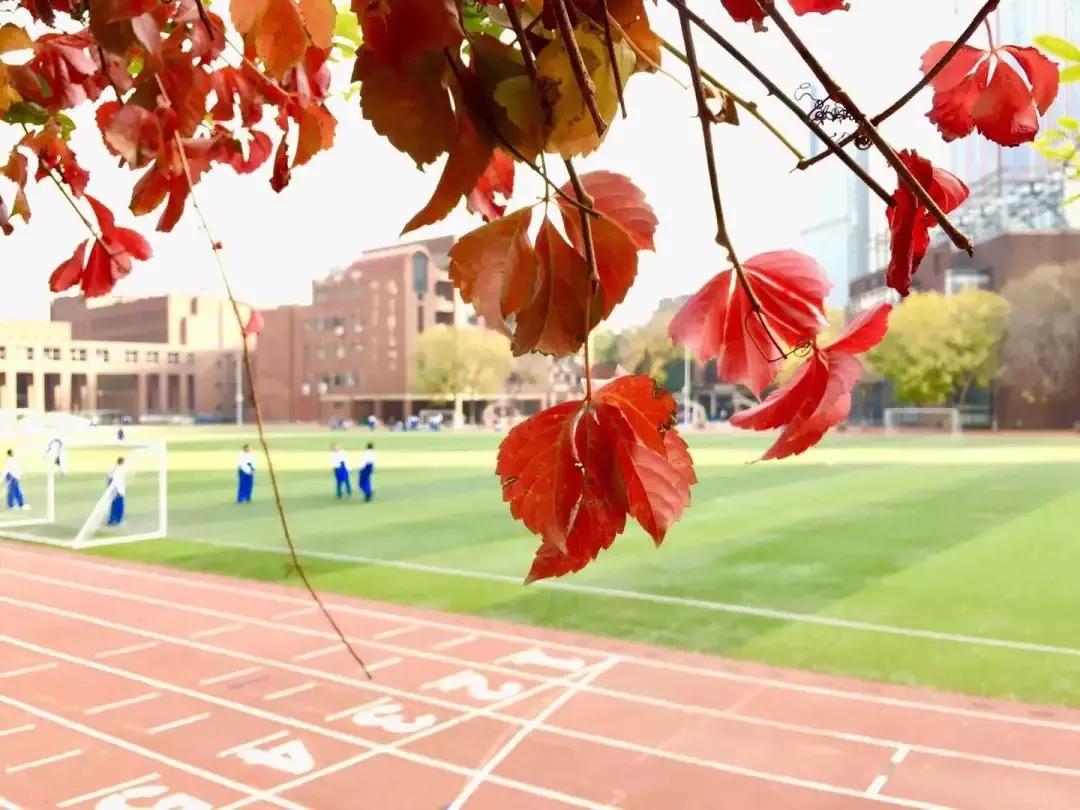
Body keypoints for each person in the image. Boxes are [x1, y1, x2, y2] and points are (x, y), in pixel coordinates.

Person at [106, 457, 126, 526]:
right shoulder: (119, 469)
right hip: (118, 491)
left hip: (114, 491)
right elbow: (113, 480)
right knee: (119, 506)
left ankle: (111, 520)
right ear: (122, 462)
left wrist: (109, 489)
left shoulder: (113, 469)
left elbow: (108, 480)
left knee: (114, 506)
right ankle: (118, 520)